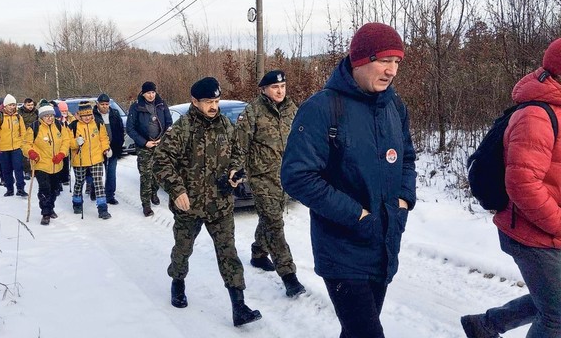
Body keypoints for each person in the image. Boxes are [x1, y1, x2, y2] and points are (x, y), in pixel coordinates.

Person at [281, 22, 417, 338]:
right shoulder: (322, 108)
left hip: (384, 243)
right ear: (359, 60)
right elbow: (297, 175)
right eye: (384, 60)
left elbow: (407, 157)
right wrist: (356, 215)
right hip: (342, 249)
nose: (392, 70)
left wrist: (403, 201)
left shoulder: (395, 105)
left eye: (397, 61)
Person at [461, 38, 561, 338]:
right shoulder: (536, 116)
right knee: (556, 317)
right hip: (531, 233)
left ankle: (485, 326)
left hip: (548, 229)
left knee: (552, 299)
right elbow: (522, 184)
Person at [153, 77, 262, 327]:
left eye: (216, 100)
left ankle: (239, 306)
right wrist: (177, 190)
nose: (214, 106)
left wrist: (235, 173)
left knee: (229, 254)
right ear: (194, 102)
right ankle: (177, 283)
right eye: (208, 102)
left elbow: (237, 153)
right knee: (183, 250)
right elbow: (161, 161)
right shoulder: (182, 129)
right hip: (189, 206)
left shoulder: (225, 124)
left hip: (220, 205)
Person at [229, 70, 305, 298]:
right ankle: (289, 275)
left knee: (271, 217)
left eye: (282, 86)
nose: (280, 91)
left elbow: (302, 138)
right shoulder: (252, 112)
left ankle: (258, 253)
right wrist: (236, 168)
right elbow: (239, 144)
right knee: (274, 223)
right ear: (264, 89)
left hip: (286, 176)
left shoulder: (293, 109)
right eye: (275, 87)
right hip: (262, 178)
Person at [126, 81, 172, 217]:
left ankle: (154, 192)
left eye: (153, 92)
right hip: (144, 146)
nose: (151, 95)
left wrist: (163, 138)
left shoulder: (162, 104)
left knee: (158, 173)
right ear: (143, 93)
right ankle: (146, 204)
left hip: (160, 144)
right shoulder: (136, 107)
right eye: (148, 93)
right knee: (146, 175)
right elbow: (130, 128)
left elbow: (169, 122)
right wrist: (144, 142)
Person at [22, 101, 70, 225]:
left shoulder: (60, 126)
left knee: (54, 189)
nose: (49, 118)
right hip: (41, 164)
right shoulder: (34, 127)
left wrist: (61, 154)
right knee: (45, 189)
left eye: (51, 115)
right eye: (46, 116)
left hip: (57, 164)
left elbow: (66, 141)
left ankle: (51, 207)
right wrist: (31, 152)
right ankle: (45, 213)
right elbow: (25, 144)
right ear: (41, 117)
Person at [69, 101, 112, 220]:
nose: (87, 117)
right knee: (79, 182)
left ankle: (102, 209)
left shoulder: (98, 123)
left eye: (89, 115)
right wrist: (76, 142)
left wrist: (106, 149)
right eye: (84, 115)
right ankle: (77, 202)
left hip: (96, 158)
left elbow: (104, 138)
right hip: (80, 159)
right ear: (79, 115)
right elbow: (67, 142)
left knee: (98, 183)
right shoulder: (73, 126)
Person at [0, 94, 28, 197]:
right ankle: (9, 189)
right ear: (5, 106)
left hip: (16, 147)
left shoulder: (18, 116)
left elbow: (23, 132)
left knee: (19, 168)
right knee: (6, 169)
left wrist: (23, 145)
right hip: (3, 148)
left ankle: (20, 188)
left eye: (14, 105)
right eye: (10, 105)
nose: (12, 107)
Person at [93, 93, 125, 205]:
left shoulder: (115, 114)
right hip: (97, 150)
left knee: (111, 172)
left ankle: (110, 195)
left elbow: (121, 131)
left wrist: (118, 146)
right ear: (97, 104)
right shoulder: (93, 116)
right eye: (102, 104)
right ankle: (94, 191)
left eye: (106, 104)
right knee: (96, 173)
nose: (105, 106)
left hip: (113, 149)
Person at [18, 98, 38, 180]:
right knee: (25, 154)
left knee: (34, 152)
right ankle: (26, 171)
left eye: (32, 105)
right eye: (28, 105)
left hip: (34, 134)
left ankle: (34, 169)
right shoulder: (20, 112)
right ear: (24, 104)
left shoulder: (36, 112)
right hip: (24, 135)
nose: (30, 106)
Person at [56, 100, 75, 188]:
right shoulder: (57, 119)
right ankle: (59, 179)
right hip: (59, 142)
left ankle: (65, 177)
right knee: (61, 160)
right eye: (62, 111)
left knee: (67, 160)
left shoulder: (71, 118)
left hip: (69, 141)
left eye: (65, 111)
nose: (64, 113)